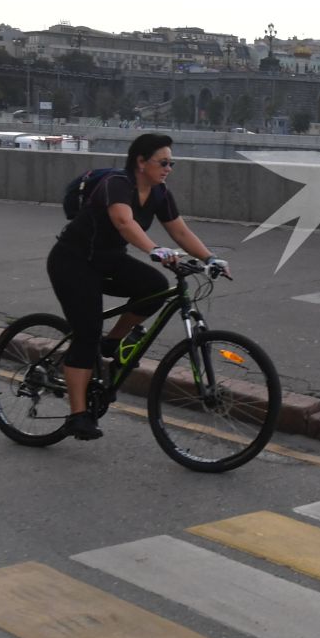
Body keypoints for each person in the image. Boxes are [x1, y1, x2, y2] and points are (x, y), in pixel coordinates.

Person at [45, 133, 223, 441]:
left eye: (172, 163)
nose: (168, 168)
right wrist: (154, 249)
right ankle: (78, 416)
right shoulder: (118, 183)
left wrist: (210, 258)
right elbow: (124, 222)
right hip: (72, 261)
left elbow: (179, 231)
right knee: (86, 333)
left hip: (108, 260)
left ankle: (111, 343)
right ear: (141, 162)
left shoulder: (159, 193)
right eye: (163, 162)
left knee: (155, 285)